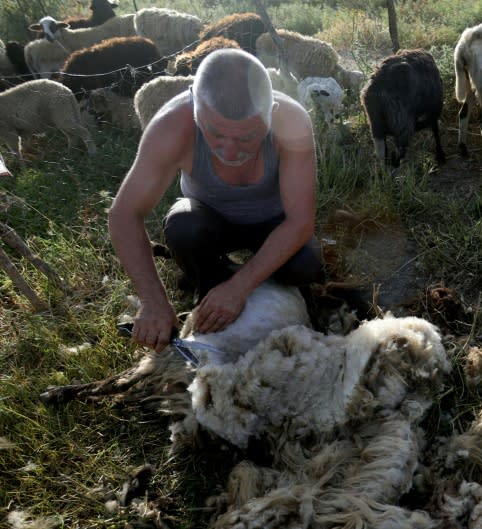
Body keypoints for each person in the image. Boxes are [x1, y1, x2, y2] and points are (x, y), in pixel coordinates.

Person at [109, 48, 324, 351]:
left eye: (247, 137)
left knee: (306, 264)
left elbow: (300, 220)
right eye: (214, 133)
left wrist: (240, 287)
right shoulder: (171, 127)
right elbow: (124, 213)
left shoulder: (291, 123)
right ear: (195, 105)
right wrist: (152, 302)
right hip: (211, 222)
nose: (230, 150)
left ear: (271, 111)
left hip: (273, 224)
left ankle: (251, 287)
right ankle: (209, 284)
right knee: (183, 226)